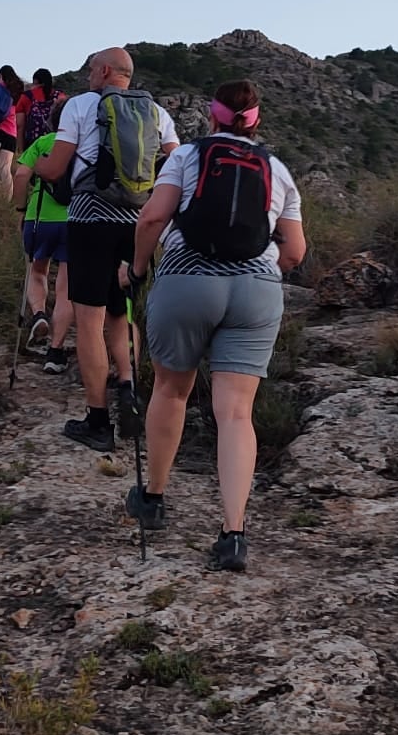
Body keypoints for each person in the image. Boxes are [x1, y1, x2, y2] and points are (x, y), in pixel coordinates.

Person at [122, 79, 306, 573]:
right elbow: (295, 252)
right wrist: (258, 277)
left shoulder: (187, 157)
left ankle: (155, 497)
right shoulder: (279, 170)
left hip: (186, 281)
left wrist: (137, 270)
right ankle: (233, 534)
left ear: (213, 115)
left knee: (171, 390)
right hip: (256, 292)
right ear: (257, 119)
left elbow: (151, 219)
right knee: (237, 414)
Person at [31, 47, 178, 451]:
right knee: (121, 310)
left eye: (91, 70)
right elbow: (175, 164)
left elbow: (57, 166)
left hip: (90, 220)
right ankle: (127, 386)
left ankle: (97, 420)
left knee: (89, 320)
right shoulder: (157, 114)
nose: (88, 77)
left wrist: (34, 170)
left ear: (106, 71)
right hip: (137, 225)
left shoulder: (81, 106)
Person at [11, 126, 75, 368]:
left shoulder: (43, 142)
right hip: (75, 220)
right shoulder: (86, 143)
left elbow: (20, 175)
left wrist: (19, 208)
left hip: (39, 216)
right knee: (66, 286)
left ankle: (38, 313)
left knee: (37, 271)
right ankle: (55, 352)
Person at [16, 68, 67, 152]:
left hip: (32, 144)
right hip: (54, 142)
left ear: (35, 81)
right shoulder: (60, 96)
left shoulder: (27, 96)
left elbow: (20, 125)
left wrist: (20, 151)